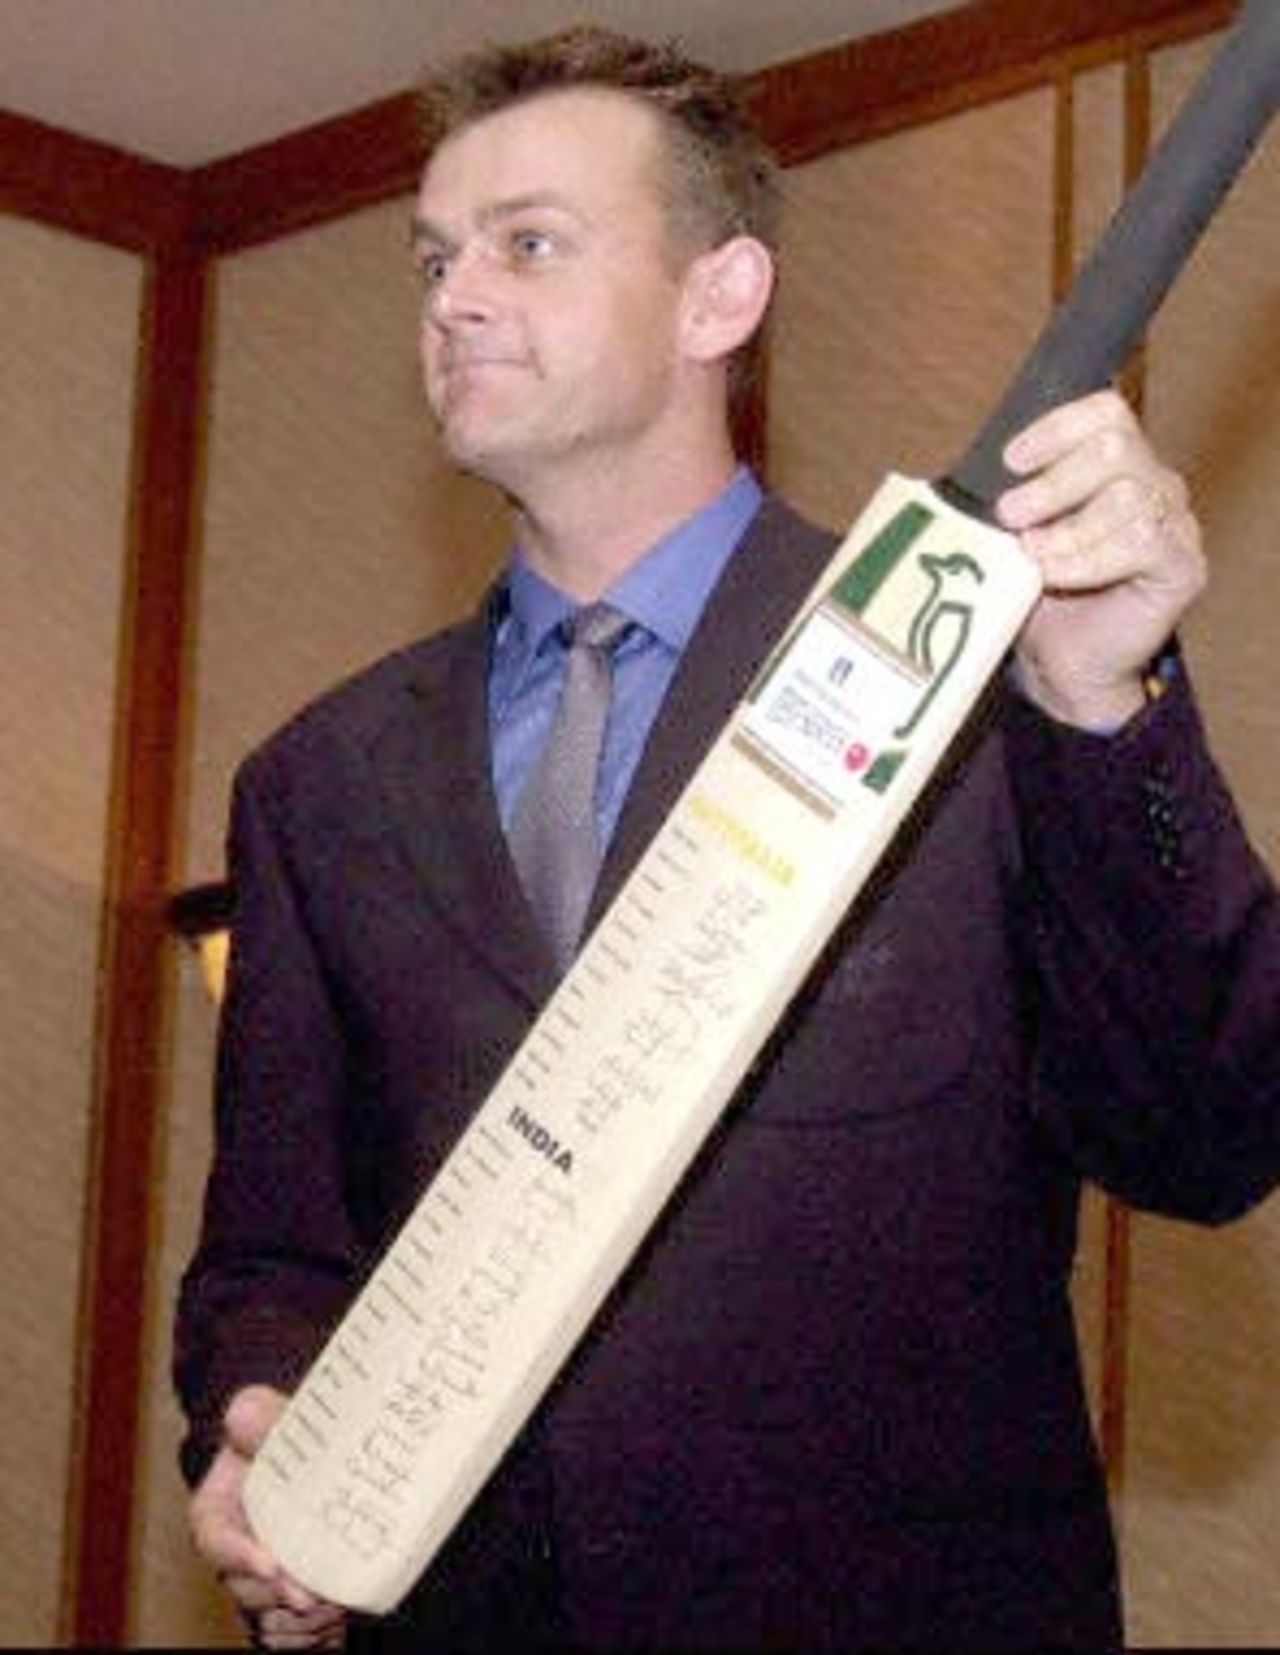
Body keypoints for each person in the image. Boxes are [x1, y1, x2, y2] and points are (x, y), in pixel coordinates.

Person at [175, 25, 1280, 1652]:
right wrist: (257, 1423)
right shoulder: (315, 784)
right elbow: (275, 1246)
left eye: (528, 244)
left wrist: (1107, 715)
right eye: (434, 260)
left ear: (722, 298)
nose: (452, 299)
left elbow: (1204, 1130)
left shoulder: (972, 688)